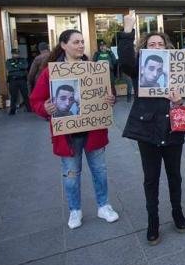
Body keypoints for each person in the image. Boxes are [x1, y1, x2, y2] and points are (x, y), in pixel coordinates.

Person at [30, 29, 119, 230]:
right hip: (67, 137)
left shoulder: (94, 69)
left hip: (93, 134)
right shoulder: (51, 72)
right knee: (71, 175)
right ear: (63, 45)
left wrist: (110, 99)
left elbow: (108, 94)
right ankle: (75, 210)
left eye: (82, 42)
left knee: (100, 172)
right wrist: (45, 108)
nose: (81, 45)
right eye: (76, 42)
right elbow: (36, 100)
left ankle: (104, 206)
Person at [117, 12, 185, 245]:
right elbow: (125, 60)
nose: (156, 46)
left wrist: (180, 100)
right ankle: (153, 221)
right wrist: (127, 31)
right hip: (147, 131)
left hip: (173, 130)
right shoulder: (138, 69)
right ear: (144, 49)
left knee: (175, 176)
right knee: (151, 179)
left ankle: (177, 212)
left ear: (167, 48)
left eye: (160, 44)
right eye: (151, 44)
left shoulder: (177, 69)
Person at [6, 48, 30, 115]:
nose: (16, 55)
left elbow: (25, 66)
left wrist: (15, 66)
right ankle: (12, 110)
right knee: (13, 96)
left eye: (17, 53)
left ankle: (29, 108)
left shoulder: (23, 60)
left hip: (22, 79)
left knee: (25, 95)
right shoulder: (8, 61)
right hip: (13, 80)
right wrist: (19, 66)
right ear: (12, 54)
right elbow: (9, 68)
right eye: (15, 53)